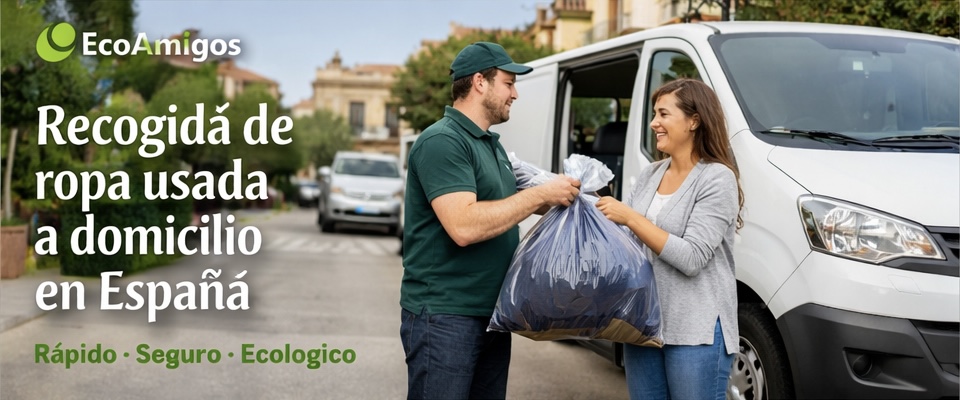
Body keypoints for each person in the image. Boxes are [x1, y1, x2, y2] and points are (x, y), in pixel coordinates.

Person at [399, 42, 581, 400]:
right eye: (508, 83)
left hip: (491, 314)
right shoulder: (442, 142)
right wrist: (541, 195)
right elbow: (464, 226)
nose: (515, 94)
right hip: (446, 316)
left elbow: (510, 205)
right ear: (480, 82)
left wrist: (577, 201)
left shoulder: (491, 145)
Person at [595, 78, 744, 400]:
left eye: (663, 114)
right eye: (654, 114)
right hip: (643, 323)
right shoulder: (651, 173)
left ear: (694, 121)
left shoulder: (717, 178)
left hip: (695, 331)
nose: (654, 123)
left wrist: (631, 217)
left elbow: (692, 258)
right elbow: (626, 243)